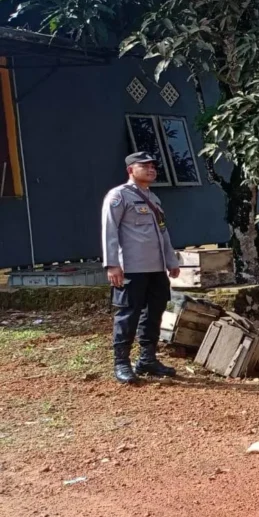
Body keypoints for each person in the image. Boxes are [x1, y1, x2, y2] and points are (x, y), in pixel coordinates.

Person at [101, 152, 181, 384]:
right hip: (131, 269)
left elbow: (162, 232)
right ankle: (122, 363)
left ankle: (147, 359)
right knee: (128, 314)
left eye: (153, 166)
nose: (151, 169)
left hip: (155, 269)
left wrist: (171, 261)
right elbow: (109, 230)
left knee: (154, 312)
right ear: (130, 170)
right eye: (144, 166)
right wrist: (113, 264)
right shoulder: (119, 196)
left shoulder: (154, 199)